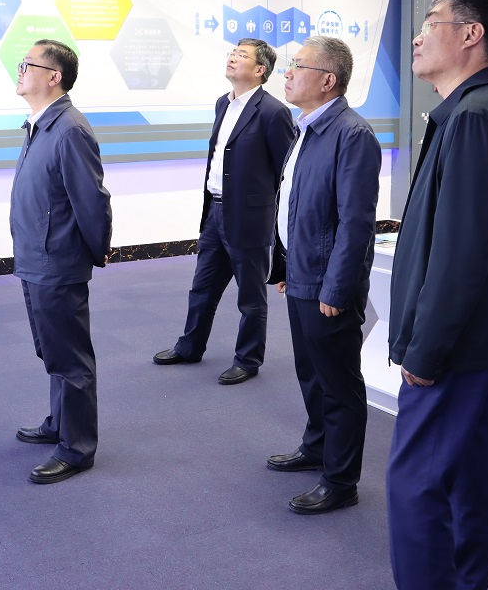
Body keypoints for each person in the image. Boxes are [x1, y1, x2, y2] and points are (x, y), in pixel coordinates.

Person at [386, 0, 488, 590]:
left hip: (458, 348)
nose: (417, 36)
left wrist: (425, 350)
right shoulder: (474, 109)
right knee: (469, 474)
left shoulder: (478, 115)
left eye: (431, 22)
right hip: (477, 344)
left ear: (471, 34)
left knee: (415, 482)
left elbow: (461, 252)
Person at [265, 36, 380, 515]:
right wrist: (286, 266)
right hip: (302, 274)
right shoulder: (307, 128)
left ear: (328, 80)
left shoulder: (352, 134)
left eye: (298, 66)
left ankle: (341, 480)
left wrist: (336, 287)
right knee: (310, 372)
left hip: (328, 285)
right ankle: (317, 447)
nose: (287, 73)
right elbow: (294, 205)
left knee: (338, 383)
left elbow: (356, 223)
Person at [153, 38, 295, 384]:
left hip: (250, 219)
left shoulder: (273, 112)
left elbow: (287, 172)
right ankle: (190, 346)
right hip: (214, 212)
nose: (232, 57)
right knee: (202, 287)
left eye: (241, 55)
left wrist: (277, 226)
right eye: (232, 52)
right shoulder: (223, 103)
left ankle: (248, 359)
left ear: (260, 70)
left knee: (250, 297)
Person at [10, 40, 112, 485]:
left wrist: (94, 250)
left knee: (70, 357)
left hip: (57, 262)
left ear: (54, 77)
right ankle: (59, 422)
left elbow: (92, 200)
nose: (19, 71)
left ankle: (77, 447)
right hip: (36, 257)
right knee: (52, 349)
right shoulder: (40, 124)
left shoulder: (69, 129)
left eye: (27, 65)